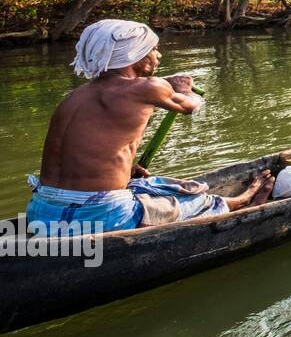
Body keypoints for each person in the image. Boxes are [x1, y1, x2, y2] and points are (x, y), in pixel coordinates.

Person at [27, 19, 274, 234]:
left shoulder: (75, 97)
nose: (159, 56)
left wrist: (128, 168)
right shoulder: (148, 88)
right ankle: (242, 201)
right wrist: (185, 88)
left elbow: (86, 145)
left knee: (152, 184)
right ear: (134, 56)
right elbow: (190, 105)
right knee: (199, 200)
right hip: (100, 216)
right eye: (153, 49)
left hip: (41, 213)